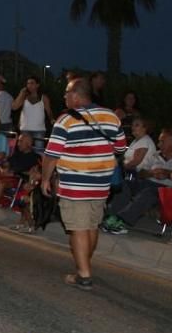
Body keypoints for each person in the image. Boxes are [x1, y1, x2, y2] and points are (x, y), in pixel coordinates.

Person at [41, 77, 126, 290]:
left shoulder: (66, 120)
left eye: (66, 93)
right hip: (100, 184)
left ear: (76, 96)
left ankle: (83, 274)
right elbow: (121, 149)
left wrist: (44, 179)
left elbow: (51, 155)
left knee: (78, 228)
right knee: (91, 225)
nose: (64, 97)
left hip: (75, 183)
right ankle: (84, 263)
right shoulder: (111, 116)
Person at [102, 129, 172, 235]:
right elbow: (140, 173)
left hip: (167, 190)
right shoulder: (155, 155)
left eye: (162, 141)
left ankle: (120, 220)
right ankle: (111, 217)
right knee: (124, 183)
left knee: (150, 192)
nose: (158, 144)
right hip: (147, 182)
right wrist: (151, 173)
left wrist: (168, 174)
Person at [0, 132, 41, 227]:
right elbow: (4, 164)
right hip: (6, 176)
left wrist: (12, 173)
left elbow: (31, 173)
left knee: (1, 183)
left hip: (18, 180)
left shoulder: (35, 157)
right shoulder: (17, 154)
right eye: (18, 141)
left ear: (29, 144)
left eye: (21, 141)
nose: (18, 143)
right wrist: (2, 169)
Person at [12, 75, 53, 152]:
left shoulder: (43, 97)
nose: (29, 85)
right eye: (28, 83)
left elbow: (49, 111)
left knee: (38, 152)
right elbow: (14, 107)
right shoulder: (24, 96)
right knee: (23, 151)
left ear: (37, 85)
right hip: (25, 129)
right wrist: (21, 94)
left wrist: (52, 120)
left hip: (39, 130)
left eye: (32, 83)